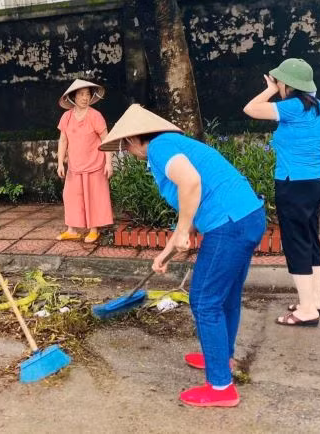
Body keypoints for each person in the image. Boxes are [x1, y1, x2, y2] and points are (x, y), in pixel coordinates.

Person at [99, 104, 266, 408]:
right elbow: (190, 201)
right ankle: (220, 358)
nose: (126, 151)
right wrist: (168, 248)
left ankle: (220, 388)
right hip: (246, 217)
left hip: (230, 223)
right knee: (224, 296)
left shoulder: (160, 147)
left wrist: (183, 231)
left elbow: (191, 182)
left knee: (203, 300)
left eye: (125, 144)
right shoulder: (172, 145)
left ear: (135, 139)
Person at [243, 58, 320, 327]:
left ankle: (306, 310)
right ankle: (317, 299)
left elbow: (250, 109)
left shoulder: (292, 107)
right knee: (311, 240)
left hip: (293, 183)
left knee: (296, 245)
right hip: (315, 181)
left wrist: (270, 90)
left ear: (288, 84)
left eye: (280, 81)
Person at [55, 79, 114, 243]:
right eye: (81, 94)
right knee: (71, 196)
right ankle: (72, 230)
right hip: (74, 166)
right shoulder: (66, 117)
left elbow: (106, 139)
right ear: (73, 97)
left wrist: (109, 163)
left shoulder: (96, 116)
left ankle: (94, 230)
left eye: (87, 94)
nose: (85, 98)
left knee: (93, 197)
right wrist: (60, 163)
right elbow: (63, 141)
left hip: (95, 165)